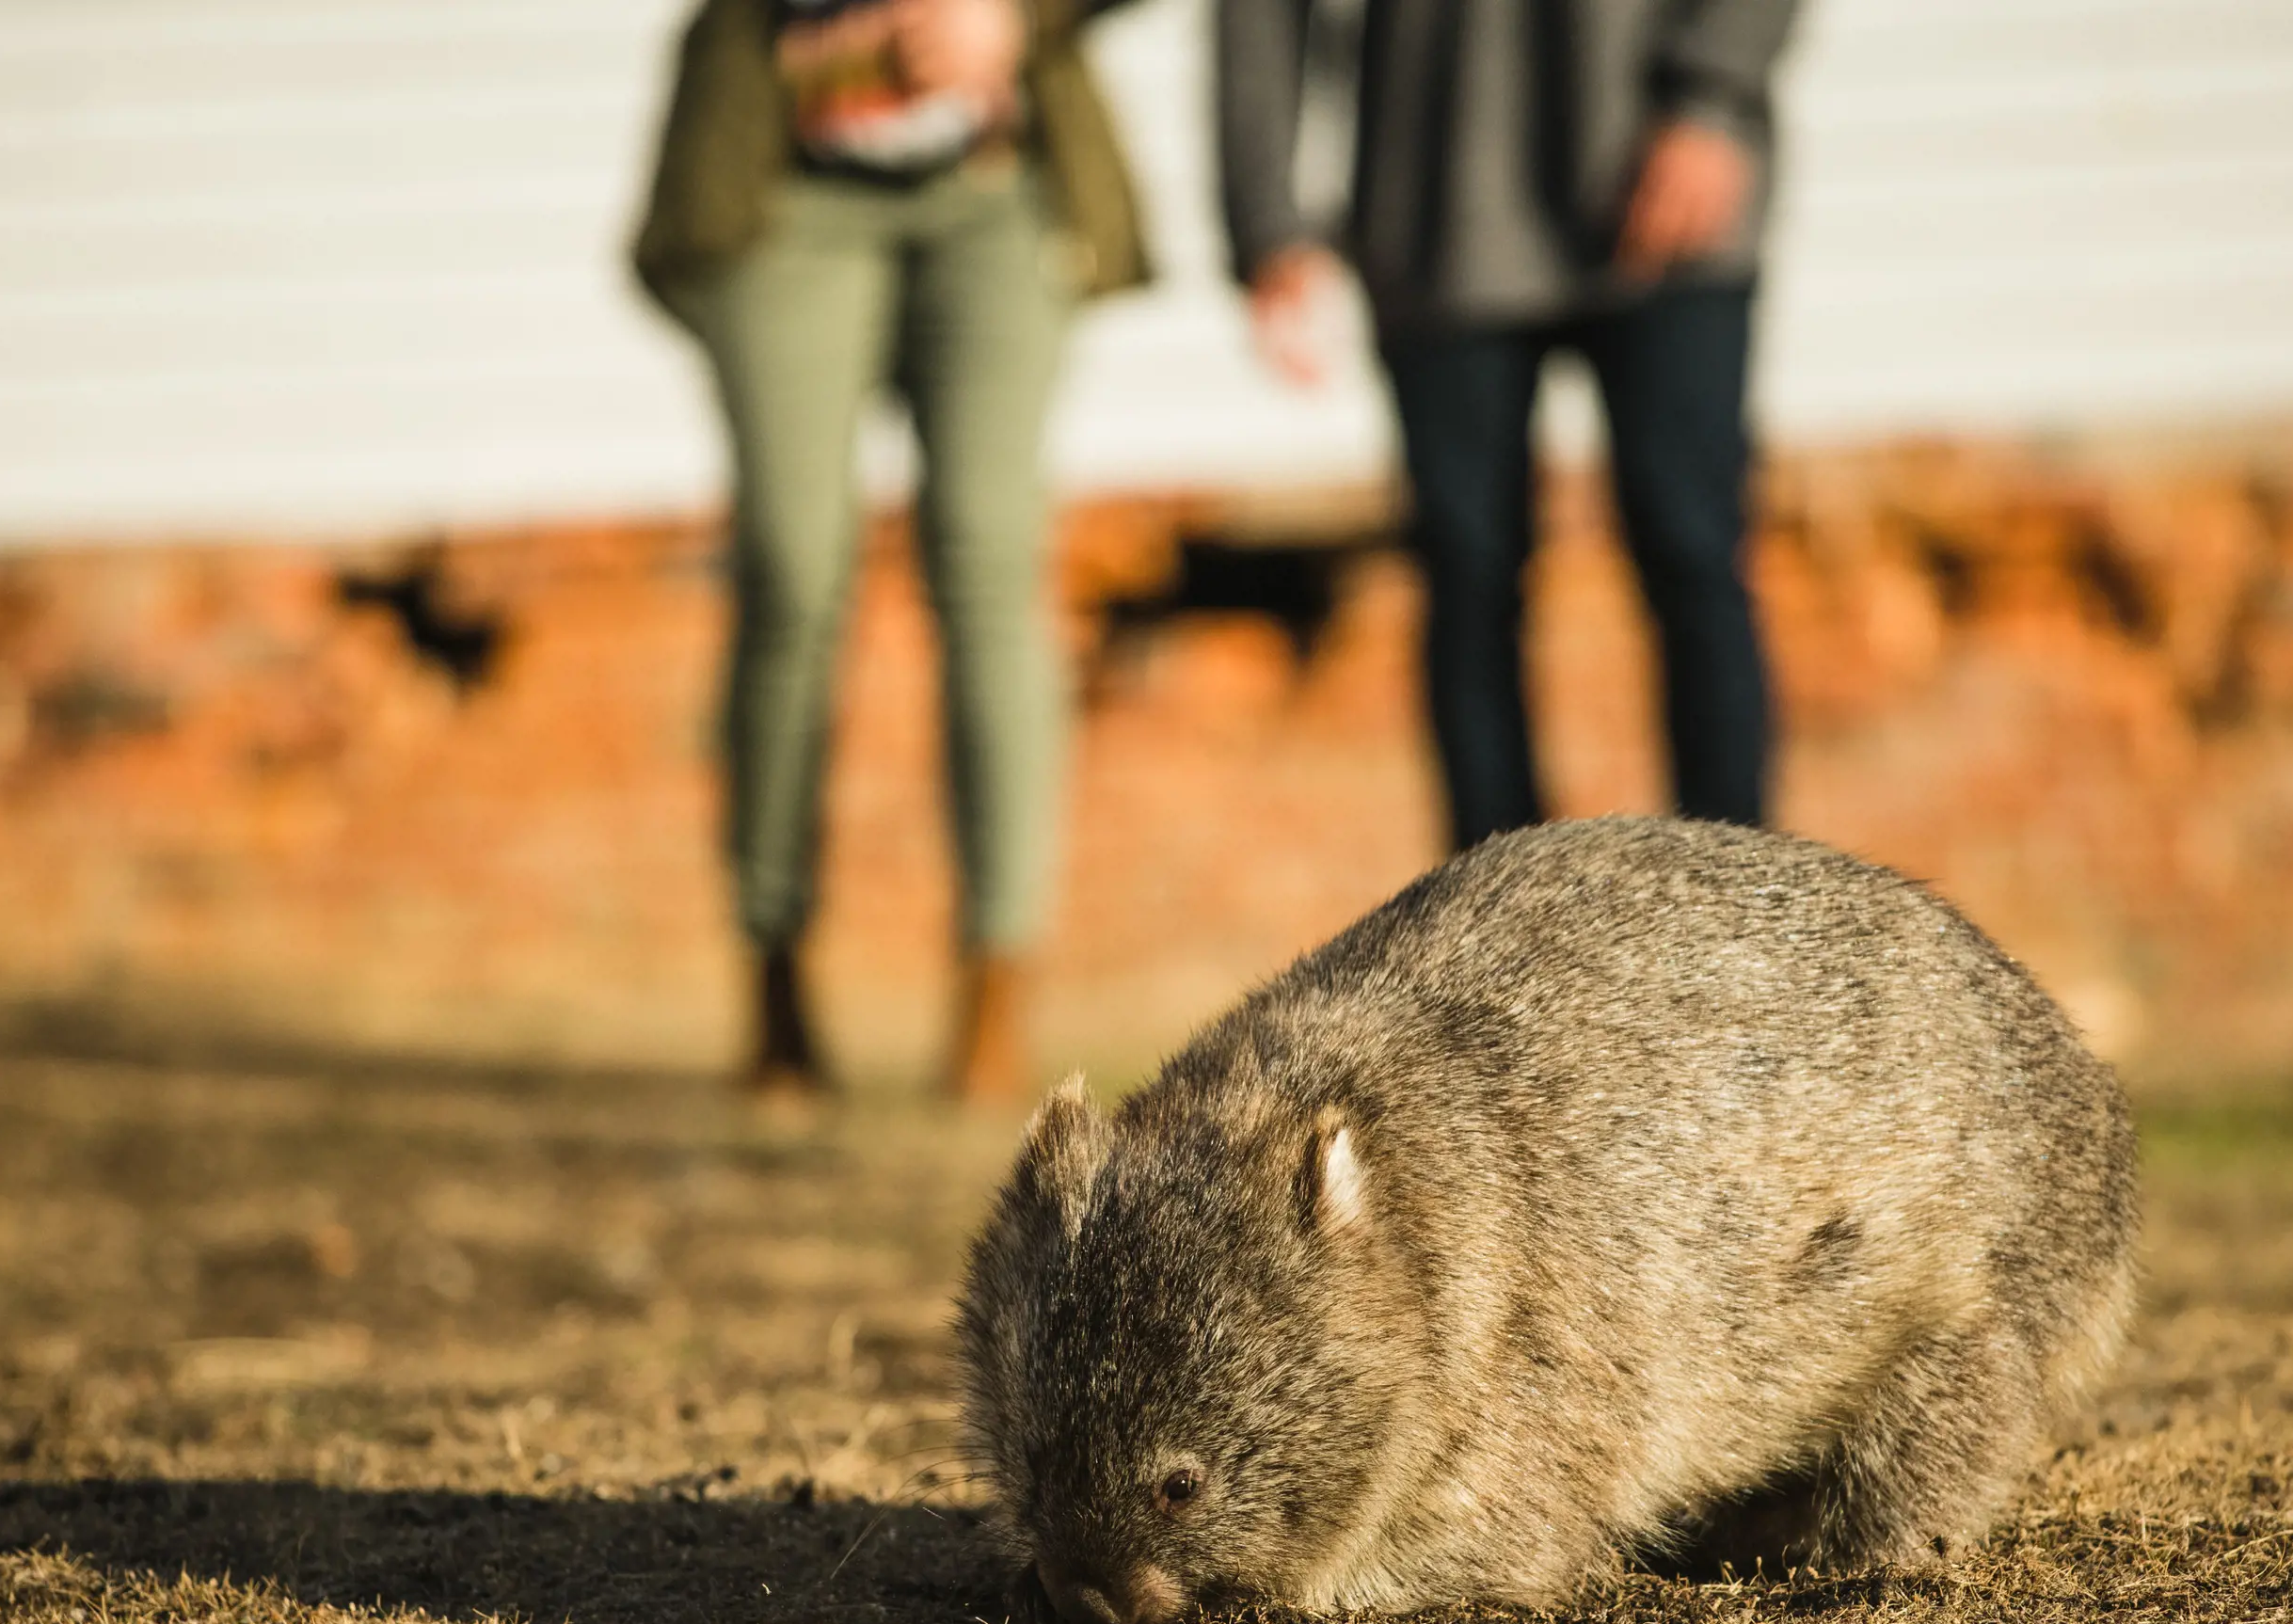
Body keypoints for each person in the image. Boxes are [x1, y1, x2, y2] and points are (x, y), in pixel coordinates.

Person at [634, 0, 1150, 1101]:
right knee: (790, 571)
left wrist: (1010, 19)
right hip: (777, 176)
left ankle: (993, 992)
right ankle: (775, 983)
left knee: (988, 562)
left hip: (997, 181)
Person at [1218, 0, 1801, 848]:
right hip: (1434, 202)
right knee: (1467, 581)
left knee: (1694, 553)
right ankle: (1492, 944)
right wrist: (1263, 214)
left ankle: (1747, 926)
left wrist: (1713, 98)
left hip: (1673, 185)